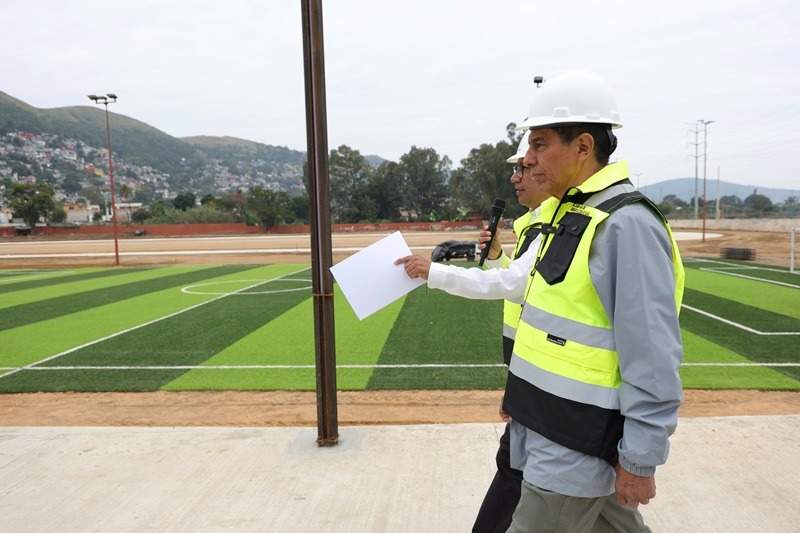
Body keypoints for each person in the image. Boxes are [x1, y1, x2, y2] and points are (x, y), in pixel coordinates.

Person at [500, 71, 685, 532]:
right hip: (548, 425)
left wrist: (640, 458)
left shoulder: (626, 225)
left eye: (540, 144)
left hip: (575, 443)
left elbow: (652, 354)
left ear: (583, 146)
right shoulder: (570, 213)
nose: (528, 157)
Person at [396, 130, 552, 533]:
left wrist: (436, 272)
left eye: (525, 166)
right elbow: (519, 285)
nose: (517, 177)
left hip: (549, 379)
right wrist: (500, 255)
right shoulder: (534, 223)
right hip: (529, 369)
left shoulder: (557, 224)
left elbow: (513, 286)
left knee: (517, 472)